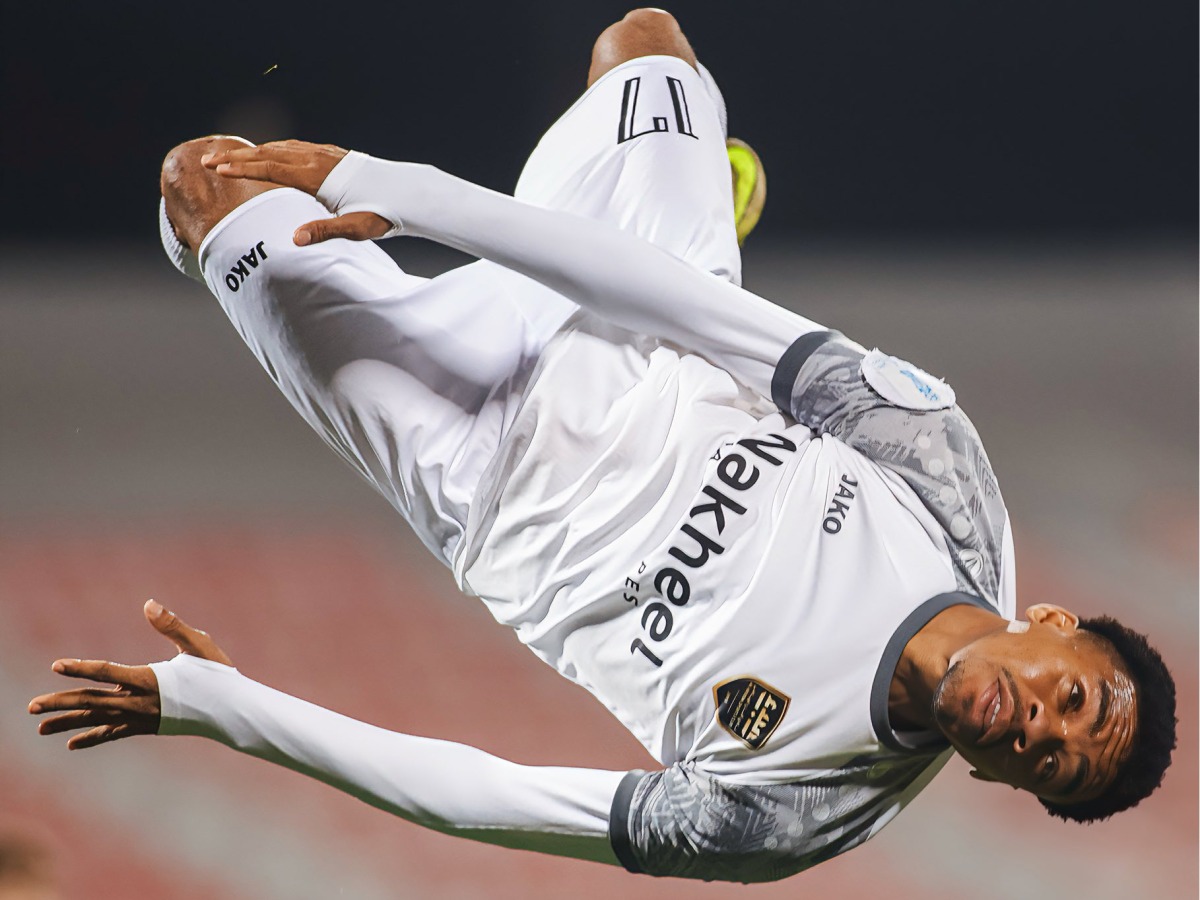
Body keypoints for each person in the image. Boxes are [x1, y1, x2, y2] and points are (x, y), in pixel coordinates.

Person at [29, 9, 1175, 885]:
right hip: (632, 319)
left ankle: (679, 194)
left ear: (991, 776)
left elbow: (488, 797)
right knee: (646, 39)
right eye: (1074, 701)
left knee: (202, 182)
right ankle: (700, 198)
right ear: (1052, 629)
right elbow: (706, 317)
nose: (1040, 727)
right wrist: (392, 191)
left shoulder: (789, 815)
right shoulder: (945, 480)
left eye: (1050, 763)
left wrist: (227, 709)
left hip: (470, 462)